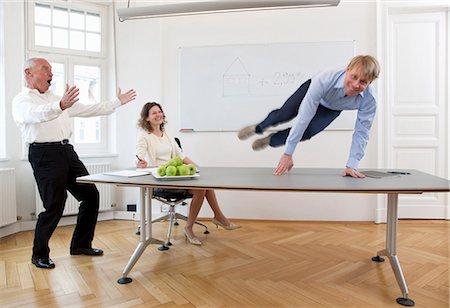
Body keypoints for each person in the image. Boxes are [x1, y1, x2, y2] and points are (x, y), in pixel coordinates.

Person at [12, 58, 137, 269]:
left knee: (90, 195)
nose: (50, 74)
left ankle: (80, 245)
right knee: (54, 205)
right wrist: (59, 105)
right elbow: (36, 115)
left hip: (66, 151)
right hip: (43, 153)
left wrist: (117, 102)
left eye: (51, 70)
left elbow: (90, 109)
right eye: (45, 69)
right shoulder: (22, 101)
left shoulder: (56, 98)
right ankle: (39, 254)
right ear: (28, 72)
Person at [238, 55, 380, 178]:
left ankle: (270, 139)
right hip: (314, 92)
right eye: (354, 77)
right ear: (347, 69)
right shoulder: (325, 78)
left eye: (363, 82)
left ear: (370, 82)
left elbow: (362, 132)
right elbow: (304, 117)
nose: (355, 84)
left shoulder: (369, 100)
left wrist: (352, 165)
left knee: (308, 132)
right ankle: (258, 128)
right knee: (284, 114)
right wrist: (288, 153)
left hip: (333, 108)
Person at [136, 102, 240, 245]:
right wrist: (141, 163)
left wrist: (198, 168)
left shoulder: (167, 134)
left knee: (204, 184)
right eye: (153, 113)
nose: (158, 115)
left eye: (159, 111)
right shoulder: (144, 136)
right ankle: (211, 220)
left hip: (176, 176)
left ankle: (204, 221)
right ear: (146, 118)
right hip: (159, 180)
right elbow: (139, 156)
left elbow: (181, 156)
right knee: (201, 188)